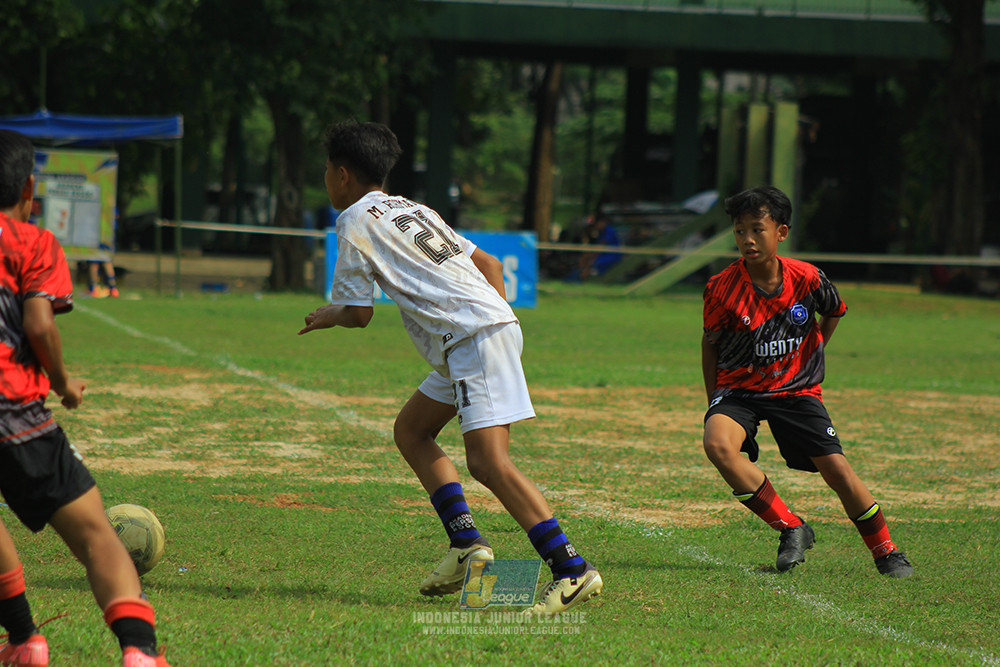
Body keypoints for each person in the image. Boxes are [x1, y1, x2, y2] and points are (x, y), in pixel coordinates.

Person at [299, 120, 603, 614]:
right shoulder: (413, 208)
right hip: (473, 335)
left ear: (342, 174)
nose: (326, 180)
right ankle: (465, 544)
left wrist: (327, 316)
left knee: (488, 462)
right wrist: (497, 324)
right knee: (412, 430)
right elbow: (492, 266)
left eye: (326, 171)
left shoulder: (354, 219)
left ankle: (571, 567)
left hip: (471, 338)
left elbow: (358, 313)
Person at [0, 130, 172, 666]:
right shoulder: (33, 242)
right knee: (96, 535)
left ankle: (25, 639)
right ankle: (140, 652)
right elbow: (39, 324)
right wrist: (62, 382)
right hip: (18, 415)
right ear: (29, 188)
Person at [701, 185, 914, 578]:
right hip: (740, 390)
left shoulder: (807, 277)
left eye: (757, 229)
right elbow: (710, 343)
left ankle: (887, 552)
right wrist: (715, 400)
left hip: (795, 389)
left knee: (838, 471)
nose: (748, 239)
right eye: (739, 231)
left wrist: (811, 354)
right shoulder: (721, 288)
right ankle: (791, 527)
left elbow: (834, 310)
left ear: (781, 232)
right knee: (717, 444)